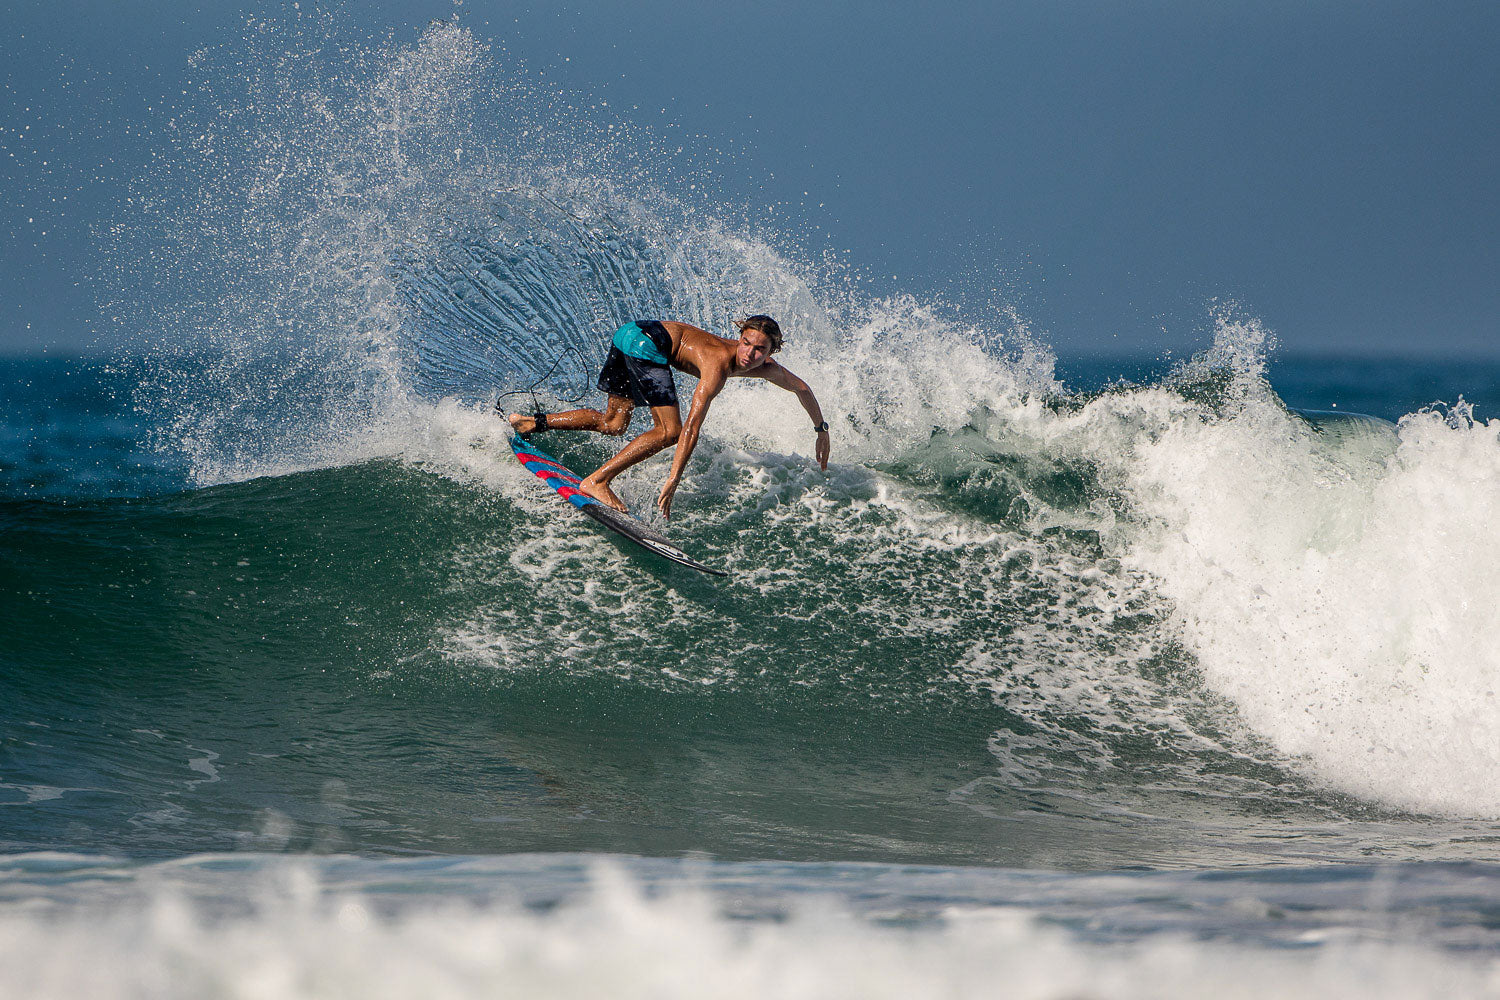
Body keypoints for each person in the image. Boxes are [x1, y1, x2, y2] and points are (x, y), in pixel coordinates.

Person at [508, 316, 831, 518]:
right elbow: (691, 426)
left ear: (773, 351)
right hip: (649, 343)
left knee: (614, 423)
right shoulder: (717, 364)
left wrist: (821, 429)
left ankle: (530, 423)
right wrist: (675, 476)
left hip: (630, 333)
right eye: (746, 343)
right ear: (739, 338)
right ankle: (597, 480)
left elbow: (802, 389)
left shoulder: (769, 370)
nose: (749, 353)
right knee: (669, 431)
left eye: (760, 349)